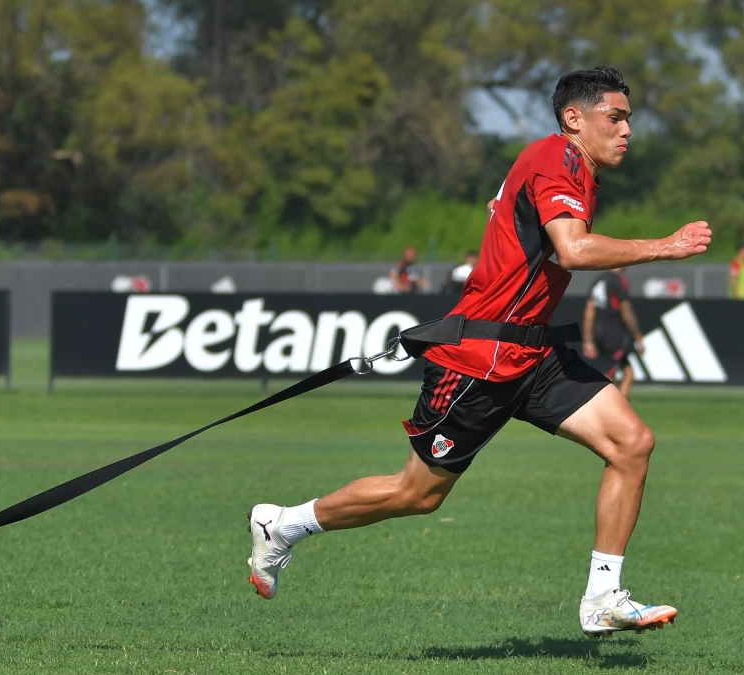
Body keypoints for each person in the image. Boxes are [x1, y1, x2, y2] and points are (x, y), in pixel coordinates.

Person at [245, 66, 713, 638]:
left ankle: (602, 598)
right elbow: (572, 250)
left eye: (628, 120)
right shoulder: (556, 159)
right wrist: (663, 246)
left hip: (532, 353)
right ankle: (284, 525)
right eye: (614, 118)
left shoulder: (578, 171)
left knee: (632, 444)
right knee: (418, 495)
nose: (626, 130)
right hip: (480, 359)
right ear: (574, 118)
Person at [583, 268, 645, 399]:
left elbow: (589, 312)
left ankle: (620, 405)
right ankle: (610, 405)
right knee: (610, 374)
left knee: (628, 373)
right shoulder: (618, 281)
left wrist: (588, 340)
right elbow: (626, 311)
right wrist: (638, 336)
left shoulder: (598, 281)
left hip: (600, 333)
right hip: (614, 334)